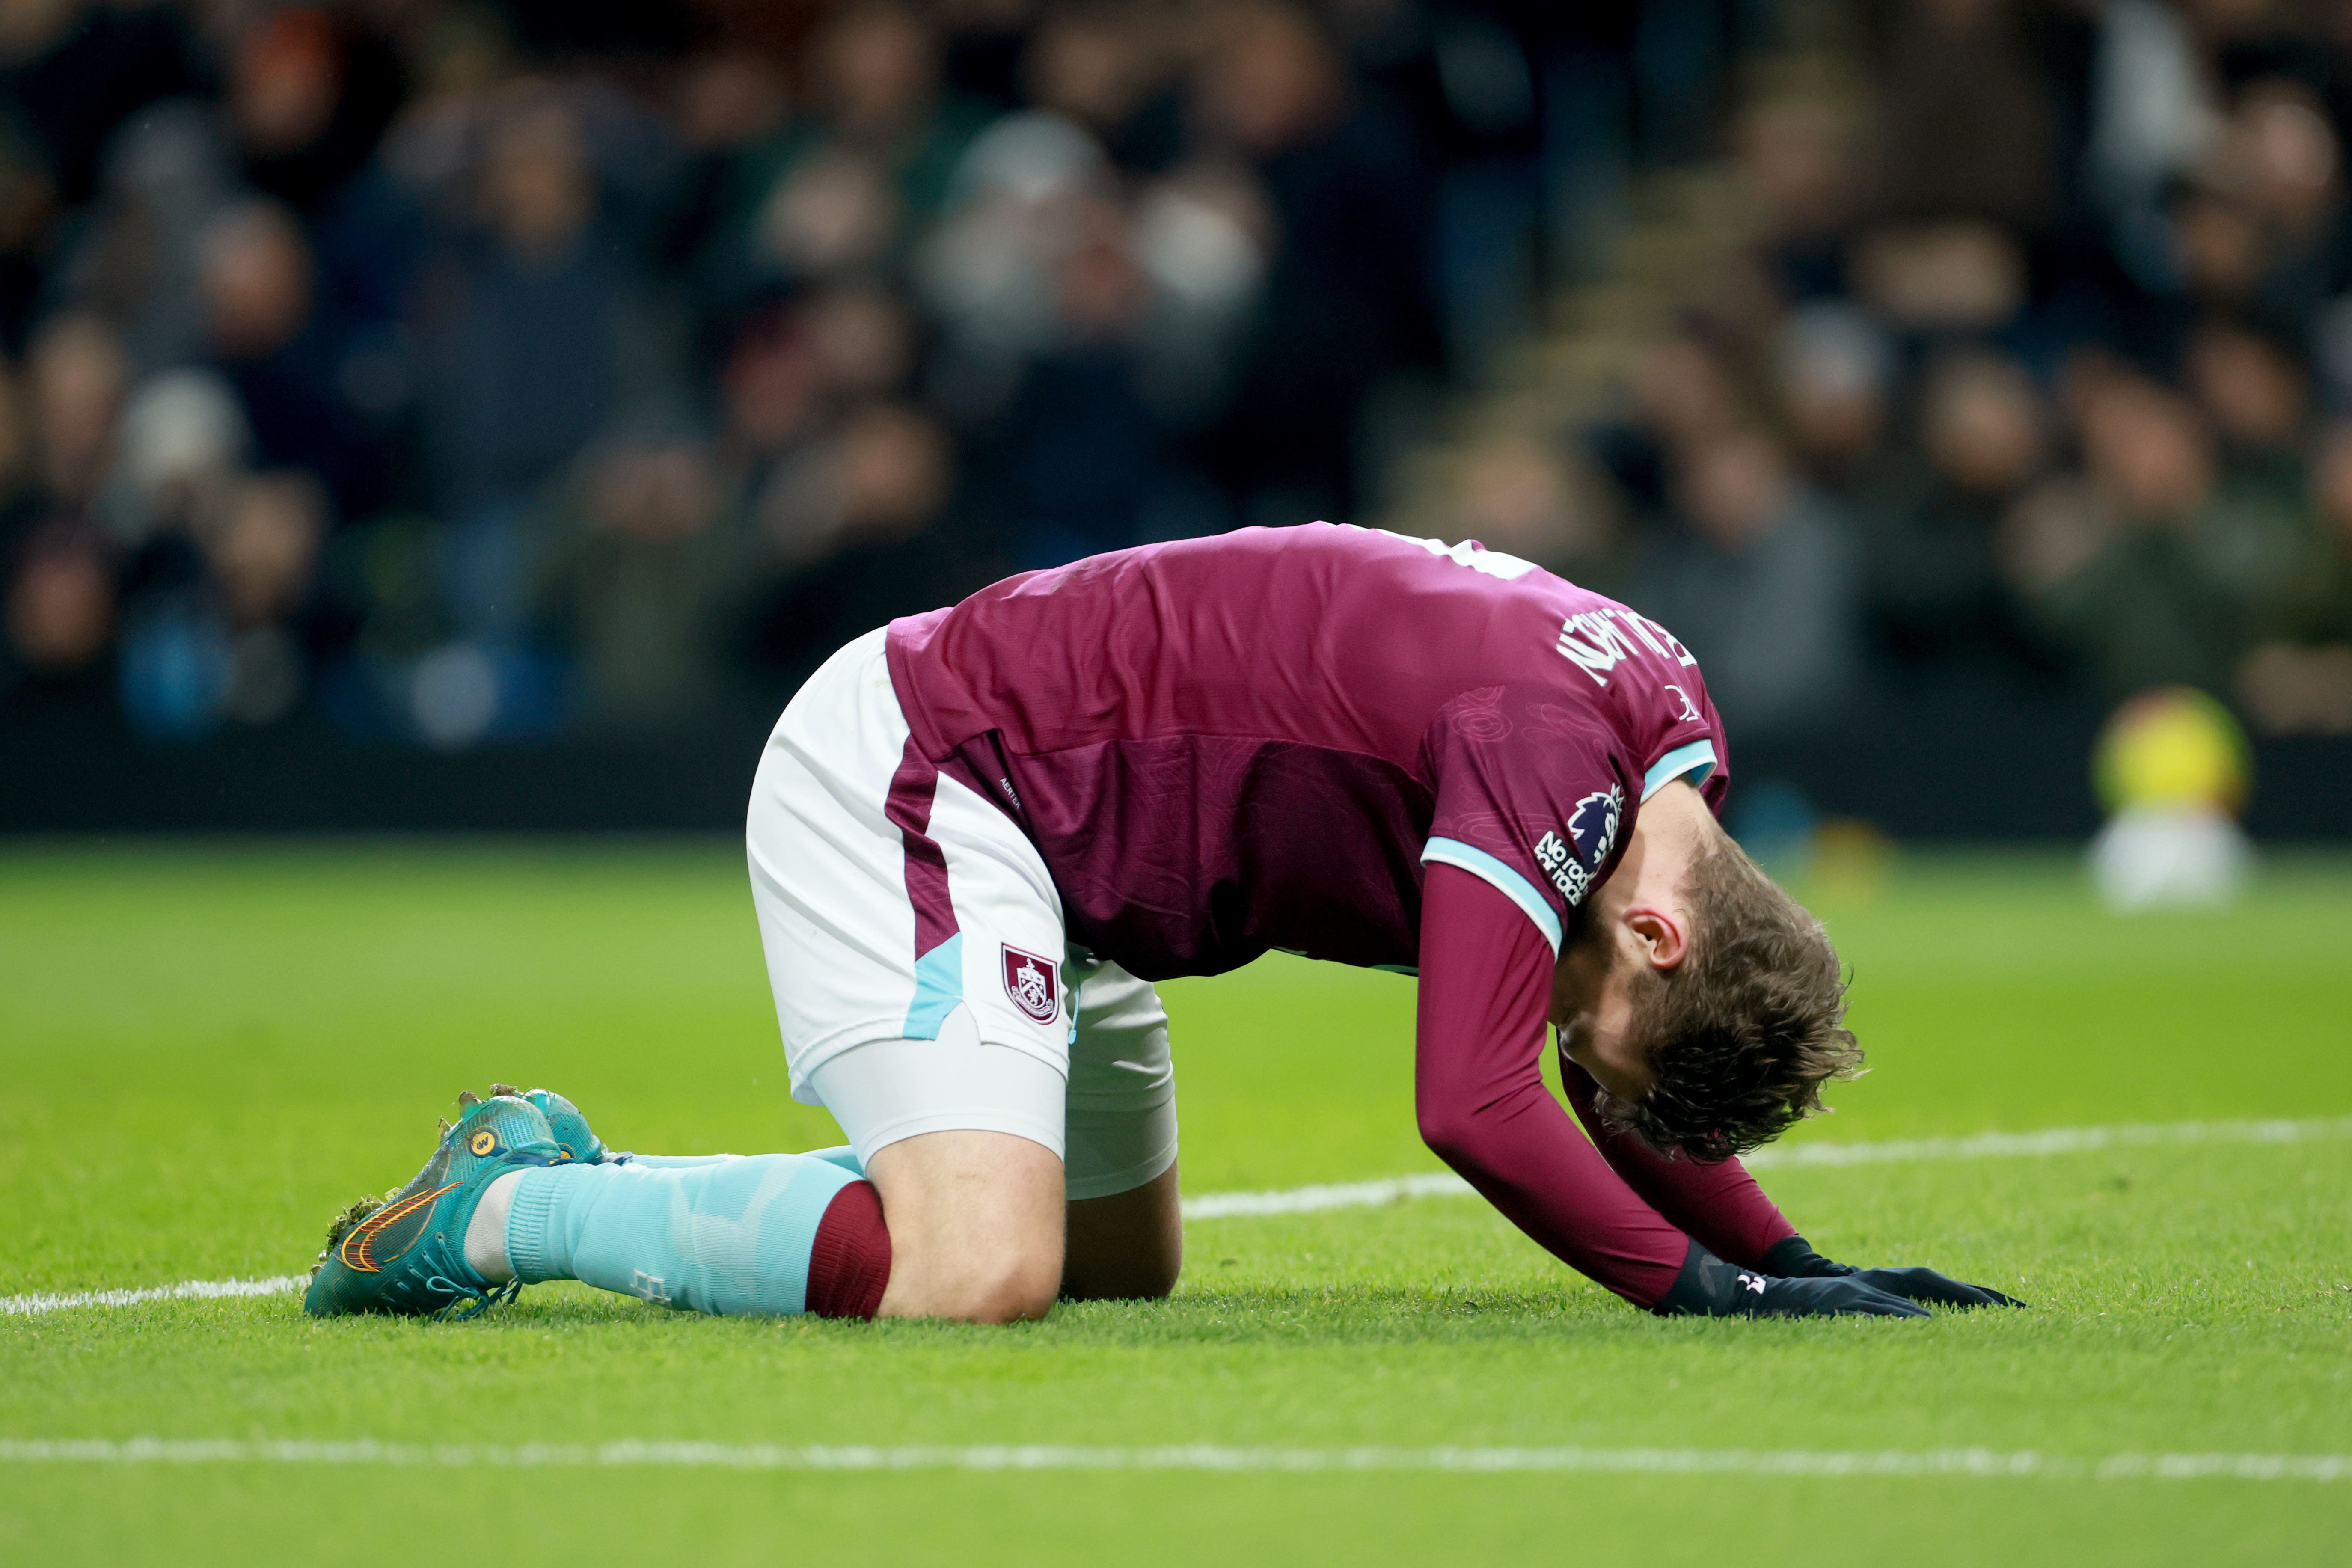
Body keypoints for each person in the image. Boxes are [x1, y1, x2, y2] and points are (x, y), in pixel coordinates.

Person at [306, 523, 2019, 1324]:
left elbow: (1574, 1066)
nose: (1569, 1044)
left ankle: (869, 1162)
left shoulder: (1669, 741)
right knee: (982, 1268)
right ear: (1662, 937)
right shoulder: (1554, 761)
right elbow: (1474, 1099)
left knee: (1121, 1268)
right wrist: (1702, 1293)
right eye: (1602, 1033)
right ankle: (513, 1200)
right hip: (936, 775)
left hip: (1078, 874)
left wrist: (1786, 1253)